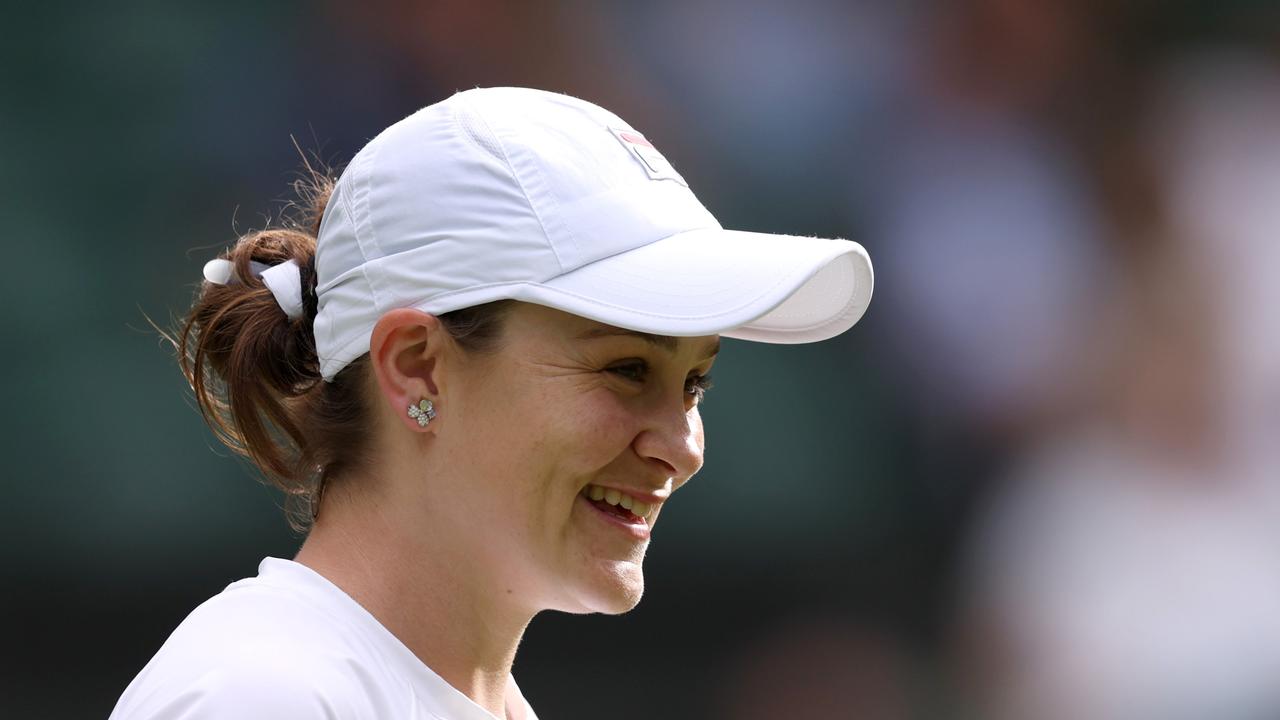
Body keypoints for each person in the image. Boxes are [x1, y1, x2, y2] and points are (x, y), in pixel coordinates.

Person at [111, 87, 873, 720]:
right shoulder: (265, 698)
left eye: (693, 384)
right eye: (626, 368)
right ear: (416, 368)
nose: (683, 446)